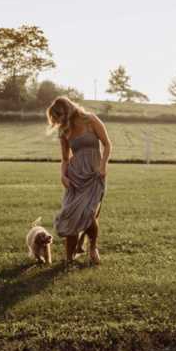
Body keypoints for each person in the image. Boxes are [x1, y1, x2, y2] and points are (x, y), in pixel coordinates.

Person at [46, 96, 111, 265]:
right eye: (55, 118)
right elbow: (65, 159)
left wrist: (103, 166)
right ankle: (69, 259)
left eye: (59, 116)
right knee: (70, 214)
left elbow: (107, 144)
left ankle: (92, 247)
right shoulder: (64, 131)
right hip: (74, 178)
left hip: (94, 174)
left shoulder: (91, 120)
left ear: (67, 111)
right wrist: (63, 175)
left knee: (88, 213)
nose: (58, 120)